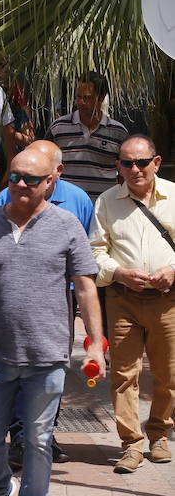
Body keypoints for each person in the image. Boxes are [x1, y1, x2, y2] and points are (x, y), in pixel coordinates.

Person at [0, 149, 106, 496]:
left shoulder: (67, 225)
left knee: (39, 439)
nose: (21, 185)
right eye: (14, 177)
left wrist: (96, 347)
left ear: (50, 182)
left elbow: (86, 289)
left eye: (31, 179)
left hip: (47, 355)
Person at [89, 135, 175, 472]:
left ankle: (159, 435)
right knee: (124, 375)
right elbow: (94, 252)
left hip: (167, 300)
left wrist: (173, 271)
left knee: (167, 374)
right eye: (127, 163)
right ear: (118, 167)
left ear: (156, 162)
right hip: (123, 298)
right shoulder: (107, 201)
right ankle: (131, 444)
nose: (135, 169)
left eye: (142, 162)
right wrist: (120, 273)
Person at [46, 71, 128, 201]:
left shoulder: (118, 132)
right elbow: (45, 164)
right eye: (78, 97)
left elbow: (125, 172)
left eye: (87, 98)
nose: (81, 102)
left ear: (101, 97)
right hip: (67, 206)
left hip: (104, 208)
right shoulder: (58, 128)